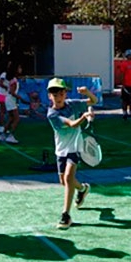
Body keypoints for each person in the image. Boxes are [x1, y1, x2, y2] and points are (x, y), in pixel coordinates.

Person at [46, 78, 97, 229]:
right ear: (50, 96)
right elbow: (72, 124)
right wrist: (84, 116)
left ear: (65, 94)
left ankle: (65, 215)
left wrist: (87, 92)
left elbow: (93, 101)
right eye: (54, 93)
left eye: (61, 92)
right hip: (61, 150)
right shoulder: (52, 114)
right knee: (64, 181)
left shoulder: (73, 104)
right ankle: (82, 189)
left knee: (68, 178)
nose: (58, 96)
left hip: (75, 147)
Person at [0, 63, 24, 144]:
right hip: (11, 100)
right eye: (19, 67)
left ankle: (3, 135)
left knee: (11, 118)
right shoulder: (14, 80)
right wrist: (20, 97)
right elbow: (12, 92)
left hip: (9, 99)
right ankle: (10, 135)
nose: (21, 69)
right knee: (17, 119)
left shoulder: (13, 79)